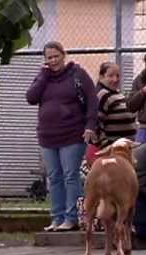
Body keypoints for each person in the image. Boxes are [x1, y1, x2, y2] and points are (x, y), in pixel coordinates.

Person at [26, 41, 98, 232]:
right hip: (48, 136)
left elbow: (92, 100)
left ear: (63, 55)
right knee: (54, 177)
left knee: (70, 176)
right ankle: (56, 218)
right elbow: (31, 97)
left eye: (56, 56)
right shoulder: (44, 77)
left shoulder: (77, 74)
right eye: (49, 58)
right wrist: (43, 75)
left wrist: (90, 125)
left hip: (72, 134)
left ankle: (72, 217)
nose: (53, 61)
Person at [95, 62, 137, 146]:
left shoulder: (116, 93)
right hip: (113, 149)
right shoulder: (102, 95)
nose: (115, 79)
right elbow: (96, 124)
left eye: (117, 76)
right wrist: (106, 146)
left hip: (125, 147)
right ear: (101, 77)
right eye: (110, 76)